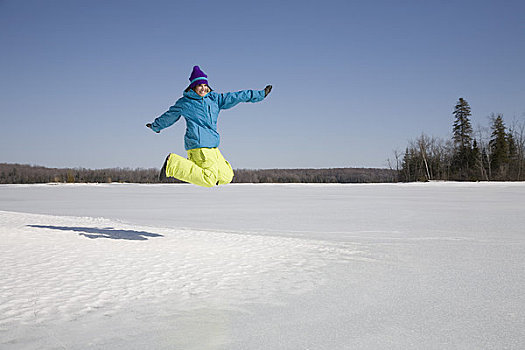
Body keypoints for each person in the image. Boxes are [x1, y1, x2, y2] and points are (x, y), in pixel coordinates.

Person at [146, 65, 272, 187]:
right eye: (200, 85)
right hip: (198, 146)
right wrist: (156, 126)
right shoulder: (185, 103)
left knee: (226, 176)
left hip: (213, 146)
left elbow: (236, 96)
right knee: (209, 179)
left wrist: (259, 95)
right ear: (193, 86)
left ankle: (197, 169)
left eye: (205, 85)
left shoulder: (214, 99)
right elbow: (169, 116)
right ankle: (172, 164)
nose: (203, 88)